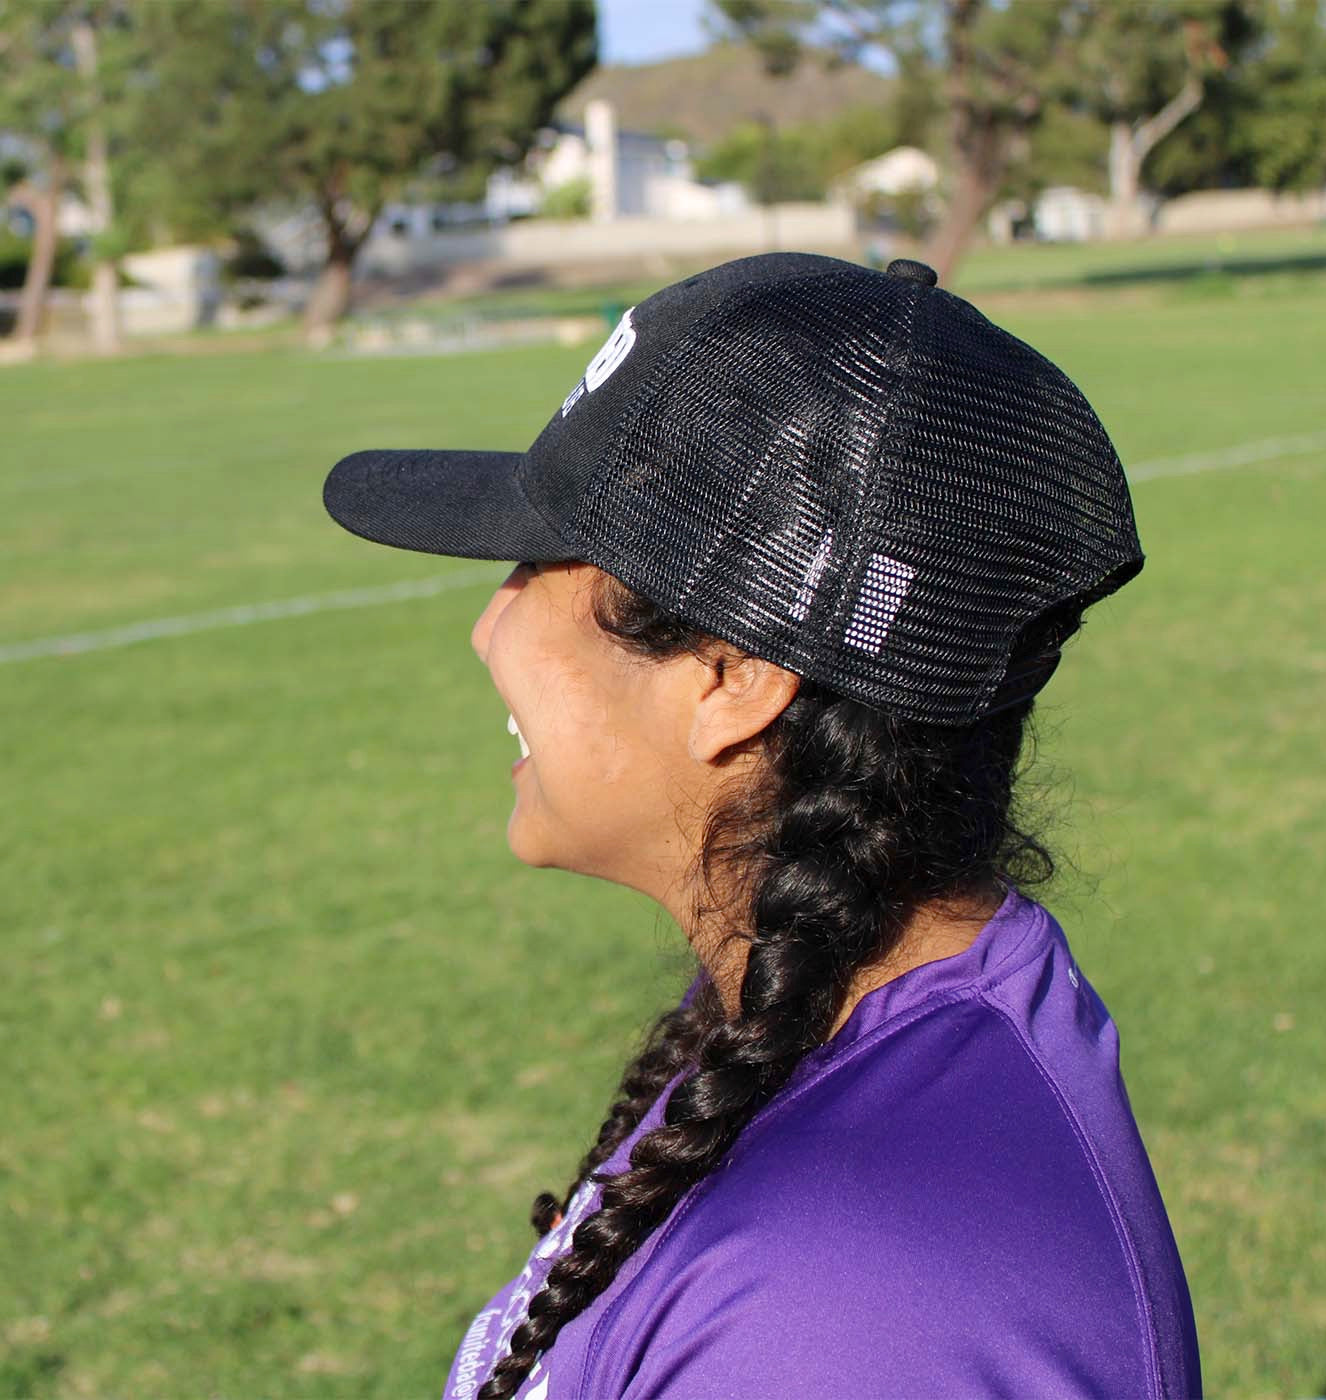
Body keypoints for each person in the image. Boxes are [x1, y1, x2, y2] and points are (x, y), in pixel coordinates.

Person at [323, 252, 1200, 1400]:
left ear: (731, 676)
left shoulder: (850, 1312)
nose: (490, 626)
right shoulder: (830, 985)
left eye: (537, 562)